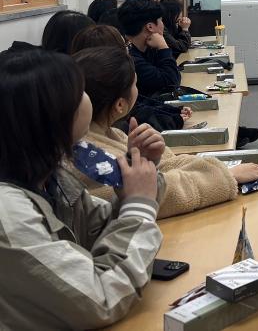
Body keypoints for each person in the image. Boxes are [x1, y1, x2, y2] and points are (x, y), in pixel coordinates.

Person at [0, 47, 163, 328]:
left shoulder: (49, 177)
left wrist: (138, 174)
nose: (87, 96)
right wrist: (138, 206)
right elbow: (100, 297)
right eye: (78, 91)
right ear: (51, 115)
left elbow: (97, 228)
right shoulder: (8, 213)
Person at [70, 47, 258, 218]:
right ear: (120, 105)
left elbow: (168, 166)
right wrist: (226, 176)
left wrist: (150, 161)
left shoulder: (111, 133)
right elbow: (157, 195)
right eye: (135, 84)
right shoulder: (84, 157)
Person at [71, 24, 188, 133]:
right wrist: (172, 120)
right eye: (126, 46)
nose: (129, 50)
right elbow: (170, 81)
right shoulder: (123, 74)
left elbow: (141, 104)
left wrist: (172, 112)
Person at [117, 0, 181, 98]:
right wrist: (163, 47)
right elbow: (172, 84)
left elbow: (175, 75)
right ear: (150, 27)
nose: (163, 25)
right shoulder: (131, 60)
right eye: (161, 20)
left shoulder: (148, 48)